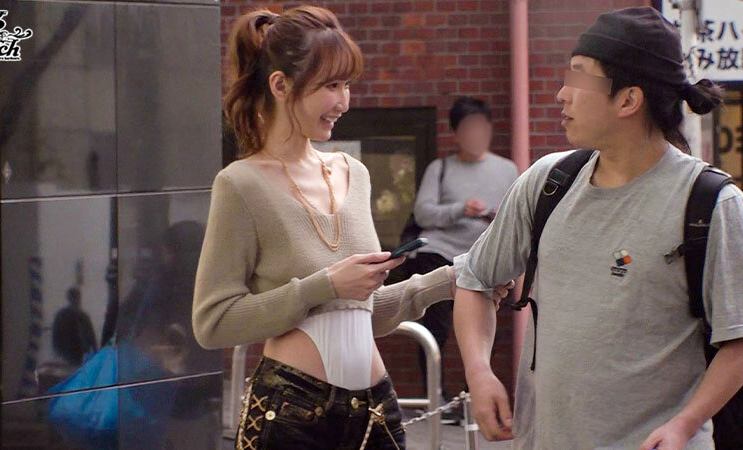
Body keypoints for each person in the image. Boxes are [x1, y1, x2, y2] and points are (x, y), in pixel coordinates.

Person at [191, 7, 510, 449]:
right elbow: (212, 322)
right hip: (292, 411)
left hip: (375, 408)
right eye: (330, 86)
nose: (344, 102)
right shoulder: (240, 184)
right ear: (280, 85)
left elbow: (363, 312)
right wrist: (323, 285)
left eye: (347, 85)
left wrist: (448, 280)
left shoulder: (353, 173)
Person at [452, 6, 743, 449]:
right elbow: (475, 279)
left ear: (628, 100)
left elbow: (737, 338)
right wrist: (479, 372)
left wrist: (686, 423)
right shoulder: (548, 183)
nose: (561, 94)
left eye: (579, 77)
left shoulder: (711, 204)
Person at [410, 97, 517, 403]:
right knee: (436, 328)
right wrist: (460, 209)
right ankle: (436, 399)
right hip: (440, 254)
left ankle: (473, 398)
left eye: (481, 127)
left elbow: (516, 215)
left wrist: (496, 218)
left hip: (483, 257)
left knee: (483, 327)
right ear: (456, 134)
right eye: (468, 128)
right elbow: (423, 214)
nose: (475, 134)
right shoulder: (440, 168)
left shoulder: (508, 169)